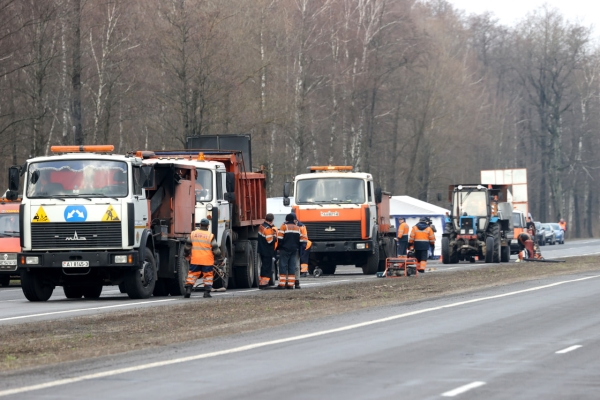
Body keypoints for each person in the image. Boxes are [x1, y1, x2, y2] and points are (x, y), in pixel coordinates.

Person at [183, 218, 222, 298]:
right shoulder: (210, 236)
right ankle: (206, 293)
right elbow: (215, 249)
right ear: (208, 226)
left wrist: (186, 254)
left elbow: (187, 246)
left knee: (192, 275)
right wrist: (220, 258)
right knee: (208, 276)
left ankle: (188, 290)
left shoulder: (193, 234)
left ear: (200, 225)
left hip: (195, 260)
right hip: (207, 261)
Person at [276, 213, 306, 289]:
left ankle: (282, 284)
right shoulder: (298, 228)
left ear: (286, 220)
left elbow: (280, 238)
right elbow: (301, 240)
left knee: (283, 265)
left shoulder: (284, 226)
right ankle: (290, 284)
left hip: (285, 249)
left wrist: (279, 248)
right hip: (294, 250)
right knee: (292, 266)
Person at [257, 213, 277, 289]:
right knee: (267, 267)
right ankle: (264, 284)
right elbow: (270, 241)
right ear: (272, 220)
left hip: (262, 249)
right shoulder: (268, 229)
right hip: (267, 251)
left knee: (263, 266)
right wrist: (274, 236)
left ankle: (262, 283)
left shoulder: (261, 226)